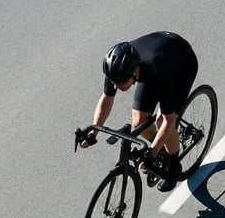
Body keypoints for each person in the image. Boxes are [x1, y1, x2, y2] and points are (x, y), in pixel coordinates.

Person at [81, 31, 198, 192]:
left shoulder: (156, 70)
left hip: (181, 65)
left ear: (135, 72)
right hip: (158, 55)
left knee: (162, 120)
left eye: (121, 83)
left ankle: (173, 165)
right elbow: (107, 98)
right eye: (113, 82)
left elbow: (168, 121)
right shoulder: (117, 69)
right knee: (138, 121)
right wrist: (93, 133)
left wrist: (151, 154)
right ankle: (162, 148)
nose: (115, 86)